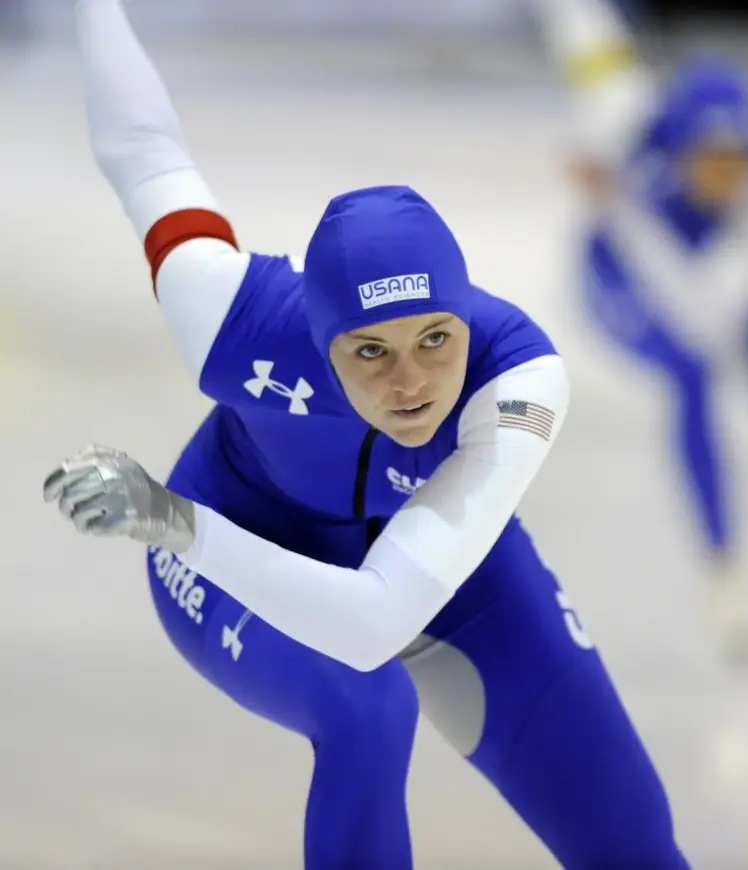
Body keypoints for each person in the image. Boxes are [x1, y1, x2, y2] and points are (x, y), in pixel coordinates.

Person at [43, 2, 692, 868]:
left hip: (295, 535)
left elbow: (373, 614)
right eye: (369, 352)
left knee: (630, 834)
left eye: (436, 339)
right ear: (318, 342)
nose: (411, 383)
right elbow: (141, 147)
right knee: (367, 704)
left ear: (467, 316)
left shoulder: (520, 379)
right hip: (233, 537)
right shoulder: (228, 314)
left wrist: (166, 518)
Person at [533, 0, 748, 664]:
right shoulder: (622, 118)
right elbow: (581, 25)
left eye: (738, 159)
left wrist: (616, 194)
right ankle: (724, 570)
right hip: (613, 284)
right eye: (711, 159)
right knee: (690, 376)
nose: (725, 176)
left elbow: (712, 314)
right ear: (677, 148)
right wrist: (613, 192)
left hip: (705, 286)